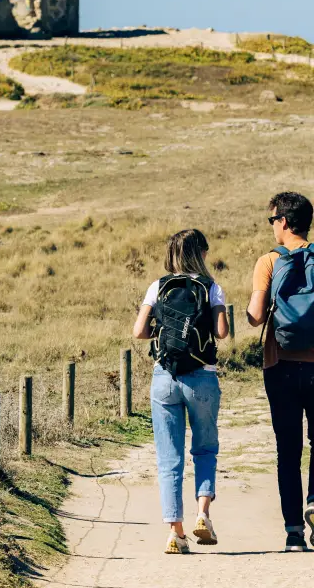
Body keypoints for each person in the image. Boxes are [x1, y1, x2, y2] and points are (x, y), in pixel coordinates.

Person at [133, 229, 229, 554]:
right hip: (202, 377)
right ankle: (203, 514)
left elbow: (139, 331)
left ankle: (176, 531)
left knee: (168, 458)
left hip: (164, 377)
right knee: (205, 449)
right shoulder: (211, 287)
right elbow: (222, 332)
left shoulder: (158, 287)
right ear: (200, 253)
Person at [246, 191, 314, 552]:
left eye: (273, 220)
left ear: (284, 222)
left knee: (288, 449)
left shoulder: (268, 261)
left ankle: (293, 533)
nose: (273, 226)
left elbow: (256, 315)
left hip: (280, 365)